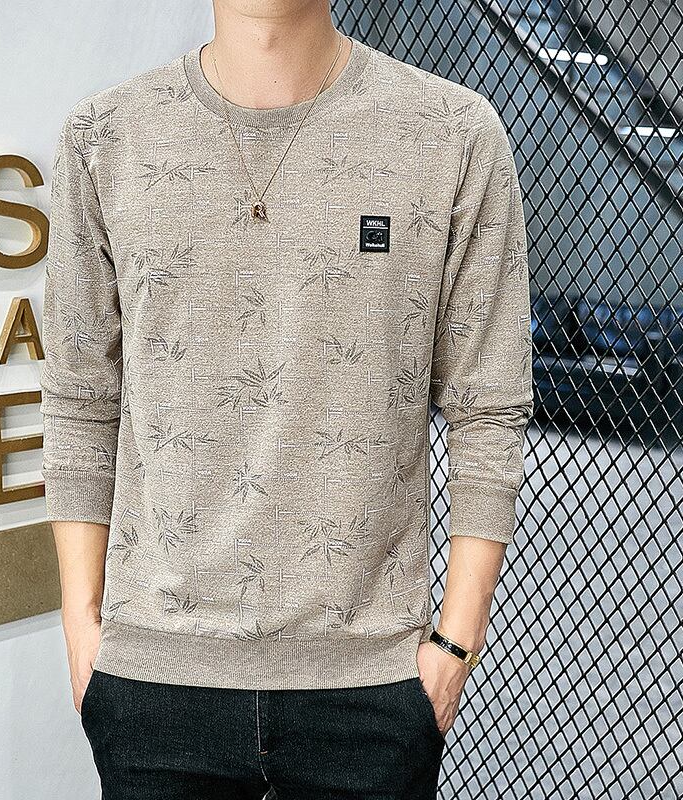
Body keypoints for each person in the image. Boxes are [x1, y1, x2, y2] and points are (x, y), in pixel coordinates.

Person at [39, 1, 534, 797]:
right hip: (154, 677)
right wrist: (82, 629)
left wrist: (454, 644)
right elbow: (79, 397)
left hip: (369, 683)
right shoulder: (106, 137)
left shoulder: (451, 133)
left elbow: (489, 405)